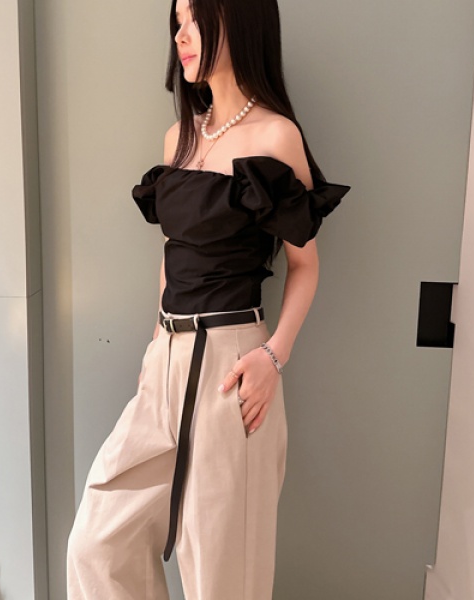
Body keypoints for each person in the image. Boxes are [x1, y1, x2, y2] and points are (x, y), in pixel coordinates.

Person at [67, 0, 350, 598]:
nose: (181, 35)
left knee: (222, 574)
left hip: (232, 363)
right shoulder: (179, 136)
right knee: (97, 544)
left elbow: (305, 265)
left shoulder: (276, 136)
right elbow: (173, 252)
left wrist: (273, 356)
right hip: (165, 361)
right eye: (177, 21)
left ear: (239, 20)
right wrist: (156, 344)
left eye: (195, 18)